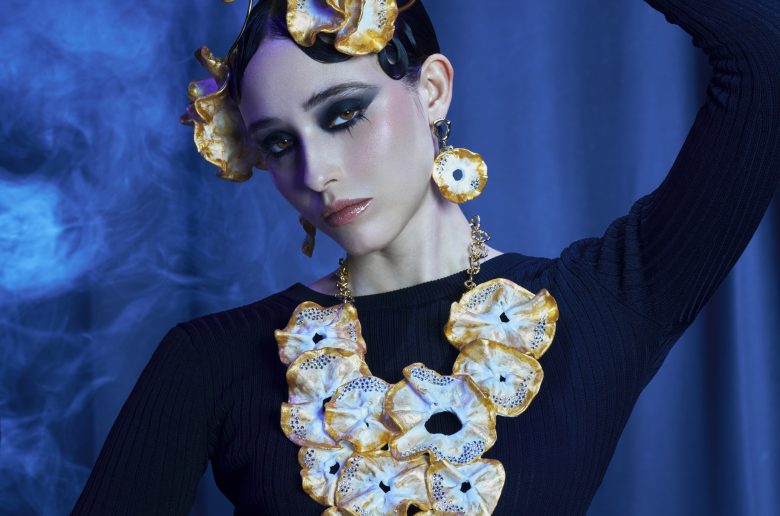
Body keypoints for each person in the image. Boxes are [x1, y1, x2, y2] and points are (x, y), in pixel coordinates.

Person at [72, 0, 780, 514]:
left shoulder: (599, 305)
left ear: (433, 89)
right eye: (280, 144)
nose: (316, 171)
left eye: (343, 113)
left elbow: (765, 54)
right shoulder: (210, 362)